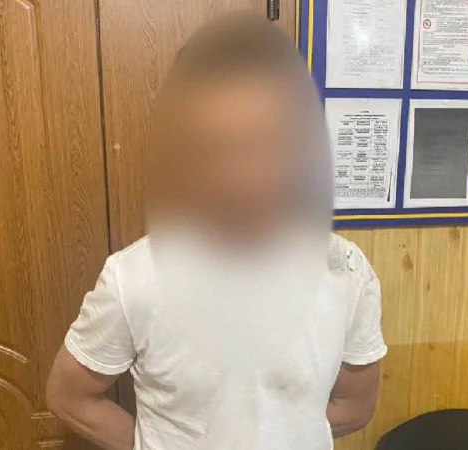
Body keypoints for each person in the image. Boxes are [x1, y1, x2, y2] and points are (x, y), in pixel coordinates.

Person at [46, 12, 386, 450]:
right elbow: (69, 396)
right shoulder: (132, 278)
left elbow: (357, 405)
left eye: (262, 144)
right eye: (218, 148)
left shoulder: (347, 272)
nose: (241, 176)